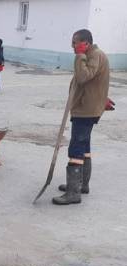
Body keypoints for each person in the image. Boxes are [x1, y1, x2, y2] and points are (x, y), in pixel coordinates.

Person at [53, 29, 111, 205]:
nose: (72, 46)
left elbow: (84, 77)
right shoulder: (93, 54)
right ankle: (81, 185)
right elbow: (95, 81)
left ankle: (73, 193)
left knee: (76, 148)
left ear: (85, 43)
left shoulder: (93, 55)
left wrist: (79, 57)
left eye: (74, 42)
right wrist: (101, 98)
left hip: (86, 110)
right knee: (84, 146)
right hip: (88, 107)